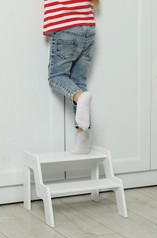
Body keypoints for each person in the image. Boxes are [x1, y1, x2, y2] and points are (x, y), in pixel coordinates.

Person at [44, 0, 99, 154]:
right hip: (88, 29)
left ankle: (79, 97)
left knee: (56, 77)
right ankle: (83, 138)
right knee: (78, 82)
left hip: (66, 28)